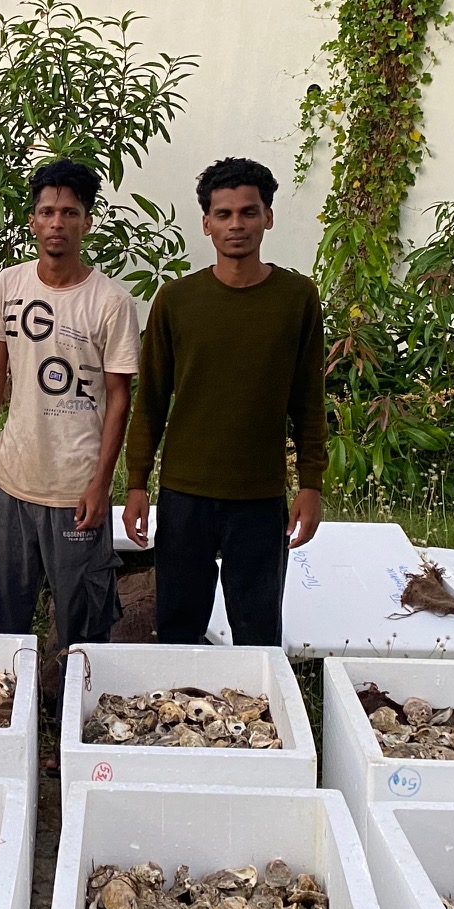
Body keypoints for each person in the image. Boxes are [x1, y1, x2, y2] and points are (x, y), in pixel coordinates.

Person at [123, 156, 326, 647]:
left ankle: (258, 719)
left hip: (259, 497)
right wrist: (135, 485)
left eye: (249, 212)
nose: (237, 224)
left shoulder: (296, 297)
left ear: (268, 217)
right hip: (184, 494)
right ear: (207, 224)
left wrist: (311, 484)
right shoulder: (177, 300)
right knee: (178, 626)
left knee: (258, 632)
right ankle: (176, 716)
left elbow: (308, 400)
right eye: (224, 214)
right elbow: (149, 400)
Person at [0, 158, 138, 654]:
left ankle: (73, 721)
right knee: (1, 618)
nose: (56, 223)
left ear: (87, 220)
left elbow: (119, 398)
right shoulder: (8, 286)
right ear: (33, 220)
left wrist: (102, 484)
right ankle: (5, 716)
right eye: (47, 212)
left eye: (69, 212)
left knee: (84, 626)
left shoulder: (109, 303)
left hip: (75, 488)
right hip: (12, 481)